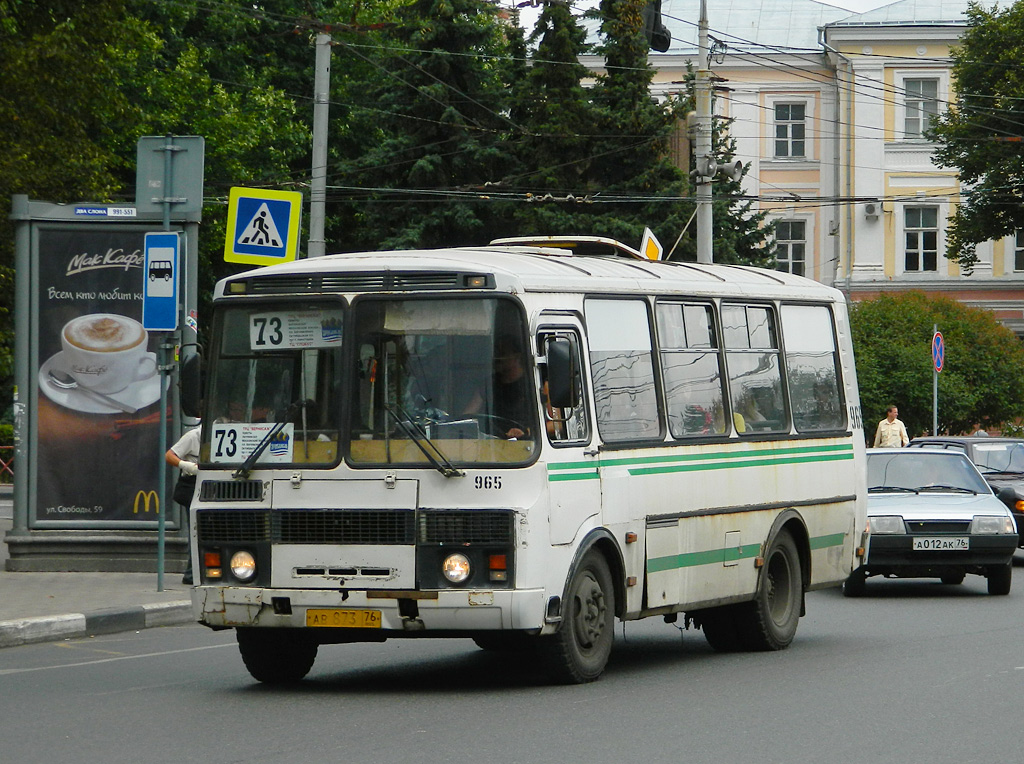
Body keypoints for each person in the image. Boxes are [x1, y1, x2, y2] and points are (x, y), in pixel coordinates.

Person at [464, 334, 531, 439]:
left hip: (526, 446)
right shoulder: (488, 383)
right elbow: (467, 415)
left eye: (502, 354)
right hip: (492, 443)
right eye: (495, 353)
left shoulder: (534, 383)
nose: (497, 358)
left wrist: (526, 432)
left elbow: (556, 425)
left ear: (517, 356)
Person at [166, 425, 200, 585]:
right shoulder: (194, 436)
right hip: (193, 485)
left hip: (211, 485)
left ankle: (194, 572)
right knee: (196, 530)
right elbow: (170, 455)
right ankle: (192, 574)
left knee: (201, 530)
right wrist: (186, 465)